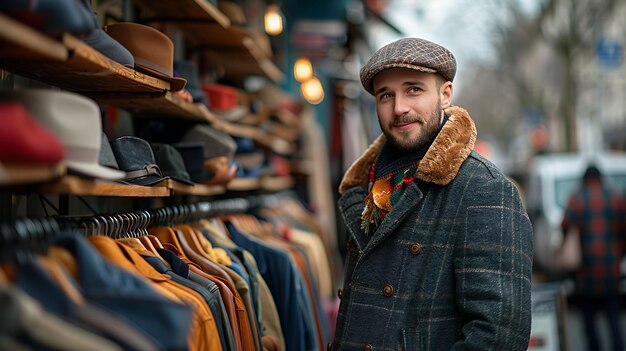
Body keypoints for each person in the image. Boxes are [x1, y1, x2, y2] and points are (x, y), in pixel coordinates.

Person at [329, 38, 533, 350]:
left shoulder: (485, 189)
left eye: (414, 89)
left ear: (445, 94)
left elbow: (496, 336)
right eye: (386, 95)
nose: (399, 108)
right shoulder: (371, 186)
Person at [561, 165, 626, 351]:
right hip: (611, 270)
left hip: (586, 272)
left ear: (584, 179)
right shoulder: (616, 198)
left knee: (589, 320)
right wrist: (619, 254)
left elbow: (565, 225)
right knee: (613, 318)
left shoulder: (577, 198)